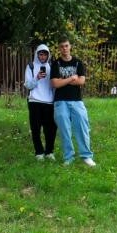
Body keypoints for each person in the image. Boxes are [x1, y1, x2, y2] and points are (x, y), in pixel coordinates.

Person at [51, 38, 95, 167]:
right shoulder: (56, 64)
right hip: (60, 101)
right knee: (64, 129)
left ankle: (86, 156)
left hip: (76, 101)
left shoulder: (78, 63)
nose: (64, 48)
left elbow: (81, 81)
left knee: (82, 127)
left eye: (66, 46)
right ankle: (68, 157)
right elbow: (55, 84)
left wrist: (62, 80)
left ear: (70, 47)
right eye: (62, 46)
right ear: (59, 49)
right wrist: (71, 78)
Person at [23, 43, 56, 160]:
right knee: (35, 128)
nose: (42, 57)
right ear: (37, 54)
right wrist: (36, 77)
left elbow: (54, 86)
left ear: (48, 56)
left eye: (45, 55)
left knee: (51, 129)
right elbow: (28, 85)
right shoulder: (31, 66)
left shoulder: (52, 66)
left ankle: (49, 152)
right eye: (40, 54)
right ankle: (39, 152)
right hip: (34, 101)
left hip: (49, 102)